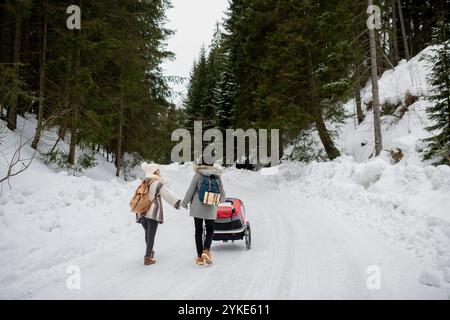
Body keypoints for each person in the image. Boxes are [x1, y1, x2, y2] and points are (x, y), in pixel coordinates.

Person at [182, 160, 226, 265]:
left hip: (198, 206)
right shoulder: (216, 175)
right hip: (211, 206)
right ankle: (206, 250)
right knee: (210, 229)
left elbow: (191, 190)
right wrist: (220, 200)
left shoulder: (198, 174)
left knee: (198, 231)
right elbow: (222, 192)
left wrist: (185, 202)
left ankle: (199, 257)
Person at [138, 162, 181, 265]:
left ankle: (150, 251)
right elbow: (167, 195)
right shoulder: (157, 183)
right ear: (153, 171)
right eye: (157, 170)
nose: (159, 171)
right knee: (151, 234)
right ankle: (147, 257)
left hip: (142, 211)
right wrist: (177, 203)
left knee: (147, 233)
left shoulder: (144, 181)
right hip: (152, 212)